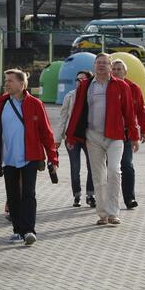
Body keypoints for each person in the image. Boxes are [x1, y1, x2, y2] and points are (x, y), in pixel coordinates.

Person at [0, 69, 58, 246]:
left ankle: (29, 231)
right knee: (13, 195)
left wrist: (53, 159)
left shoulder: (35, 104)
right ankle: (17, 230)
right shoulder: (0, 103)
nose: (6, 83)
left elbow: (47, 133)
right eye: (6, 80)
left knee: (28, 194)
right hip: (8, 158)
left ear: (21, 83)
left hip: (30, 157)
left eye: (10, 80)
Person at [66, 54, 139, 226]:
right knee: (98, 176)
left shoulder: (120, 85)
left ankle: (114, 213)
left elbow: (129, 112)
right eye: (98, 63)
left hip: (115, 136)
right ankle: (103, 214)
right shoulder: (85, 86)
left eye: (105, 63)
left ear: (110, 66)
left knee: (114, 171)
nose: (101, 66)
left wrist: (134, 136)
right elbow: (76, 112)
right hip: (93, 136)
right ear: (94, 65)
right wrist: (71, 136)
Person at [111, 59, 145, 209]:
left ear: (125, 72)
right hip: (108, 134)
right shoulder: (106, 87)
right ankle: (100, 197)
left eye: (119, 69)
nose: (116, 71)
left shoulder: (134, 88)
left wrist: (143, 130)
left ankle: (129, 198)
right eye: (114, 69)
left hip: (126, 133)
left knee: (127, 165)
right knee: (108, 168)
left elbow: (140, 110)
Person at [55, 70, 95, 208]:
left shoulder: (92, 96)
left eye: (83, 79)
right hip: (72, 137)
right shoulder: (70, 96)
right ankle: (76, 195)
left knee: (92, 166)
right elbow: (63, 117)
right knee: (75, 167)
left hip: (89, 136)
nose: (80, 82)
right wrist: (57, 139)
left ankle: (91, 195)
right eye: (78, 80)